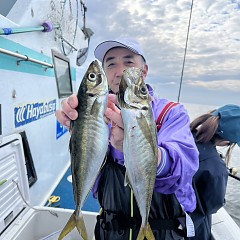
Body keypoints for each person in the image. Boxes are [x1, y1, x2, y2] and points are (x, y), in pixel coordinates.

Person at [56, 38, 199, 239]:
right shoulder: (99, 115)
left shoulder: (171, 113)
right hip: (109, 230)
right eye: (111, 63)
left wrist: (143, 152)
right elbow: (97, 182)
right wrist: (79, 133)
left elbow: (183, 169)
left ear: (144, 70)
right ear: (104, 74)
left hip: (166, 232)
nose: (120, 70)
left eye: (129, 62)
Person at [189, 104, 240, 240]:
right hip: (187, 229)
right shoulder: (216, 168)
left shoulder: (181, 136)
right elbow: (214, 204)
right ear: (227, 142)